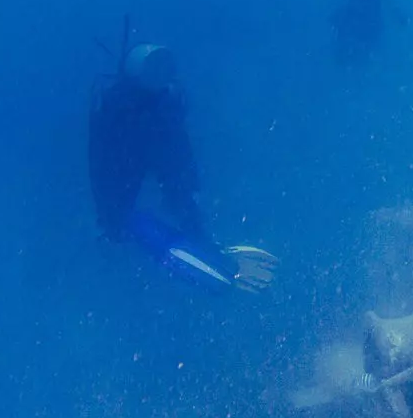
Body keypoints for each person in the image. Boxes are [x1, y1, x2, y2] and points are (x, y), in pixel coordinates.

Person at [88, 41, 274, 291]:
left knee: (131, 215)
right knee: (132, 215)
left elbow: (169, 163)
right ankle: (210, 255)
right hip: (139, 170)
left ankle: (209, 253)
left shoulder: (146, 108)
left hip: (140, 170)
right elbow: (170, 165)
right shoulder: (138, 109)